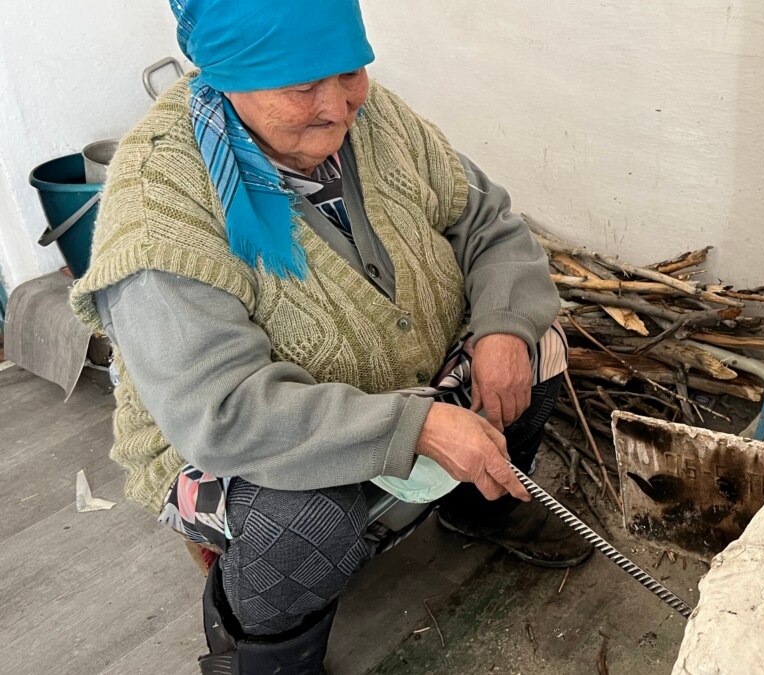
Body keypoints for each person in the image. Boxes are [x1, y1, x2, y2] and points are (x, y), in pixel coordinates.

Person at [68, 1, 590, 672]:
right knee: (307, 520)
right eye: (301, 87)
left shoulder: (377, 120)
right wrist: (419, 427)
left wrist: (501, 332)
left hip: (405, 384)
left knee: (533, 343)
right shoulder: (158, 207)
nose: (339, 108)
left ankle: (478, 508)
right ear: (228, 76)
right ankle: (260, 649)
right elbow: (225, 414)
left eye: (349, 71)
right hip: (231, 443)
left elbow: (486, 223)